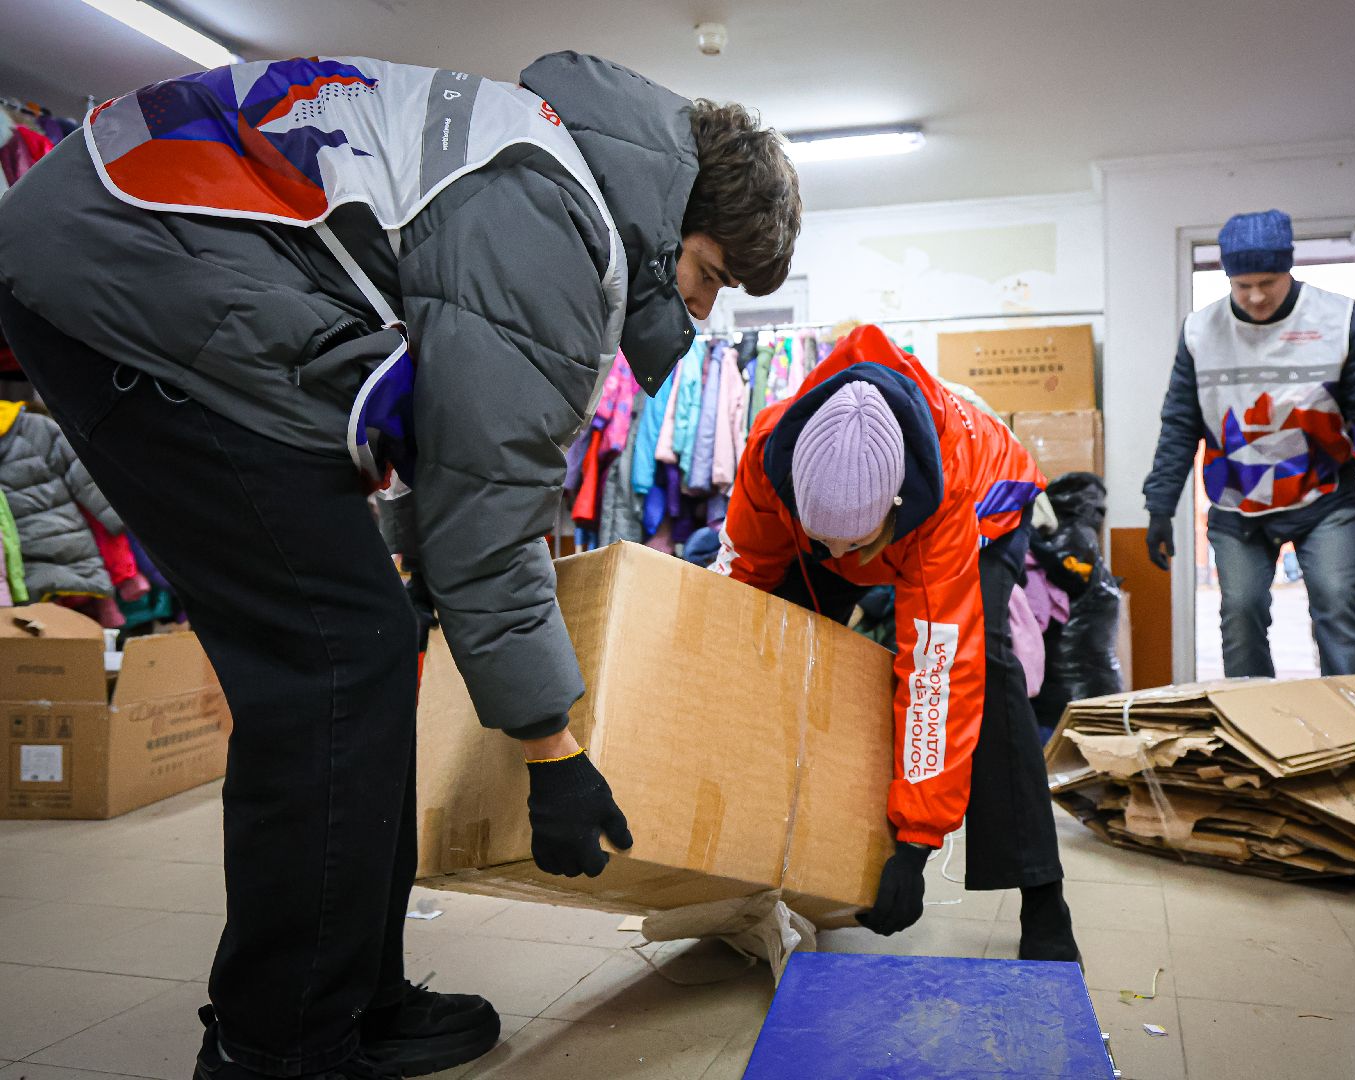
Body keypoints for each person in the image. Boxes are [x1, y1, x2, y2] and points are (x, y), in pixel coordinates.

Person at [0, 52, 799, 1080]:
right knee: (336, 663)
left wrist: (446, 593)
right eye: (709, 277)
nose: (698, 312)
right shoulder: (554, 221)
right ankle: (278, 1046)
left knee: (368, 646)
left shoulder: (548, 165)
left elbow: (455, 462)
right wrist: (552, 754)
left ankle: (357, 998)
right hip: (128, 280)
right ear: (678, 223)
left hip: (145, 261)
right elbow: (485, 515)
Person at [713, 324, 1081, 963]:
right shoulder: (767, 456)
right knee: (780, 647)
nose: (836, 555)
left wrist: (915, 845)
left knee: (989, 675)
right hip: (856, 525)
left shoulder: (944, 502)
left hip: (987, 511)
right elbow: (744, 582)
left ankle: (1043, 898)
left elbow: (939, 677)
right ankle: (790, 857)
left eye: (852, 541)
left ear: (895, 505)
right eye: (822, 537)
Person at [1141, 209, 1355, 677]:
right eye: (1241, 284)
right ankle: (1258, 732)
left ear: (1289, 269)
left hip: (1325, 498)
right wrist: (1159, 508)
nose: (1254, 296)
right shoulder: (1200, 332)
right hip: (1238, 506)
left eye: (1267, 282)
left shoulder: (1339, 318)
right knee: (1240, 614)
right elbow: (1178, 425)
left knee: (1337, 606)